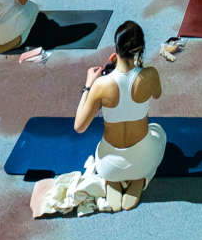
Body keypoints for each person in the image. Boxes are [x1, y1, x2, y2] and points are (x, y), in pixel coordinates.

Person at [31, 20, 166, 216]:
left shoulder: (101, 84)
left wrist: (88, 86)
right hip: (142, 159)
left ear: (115, 51)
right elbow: (157, 94)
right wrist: (140, 69)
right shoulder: (150, 75)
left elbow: (79, 127)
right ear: (140, 49)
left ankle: (113, 181)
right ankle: (139, 180)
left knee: (108, 155)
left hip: (108, 166)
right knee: (158, 131)